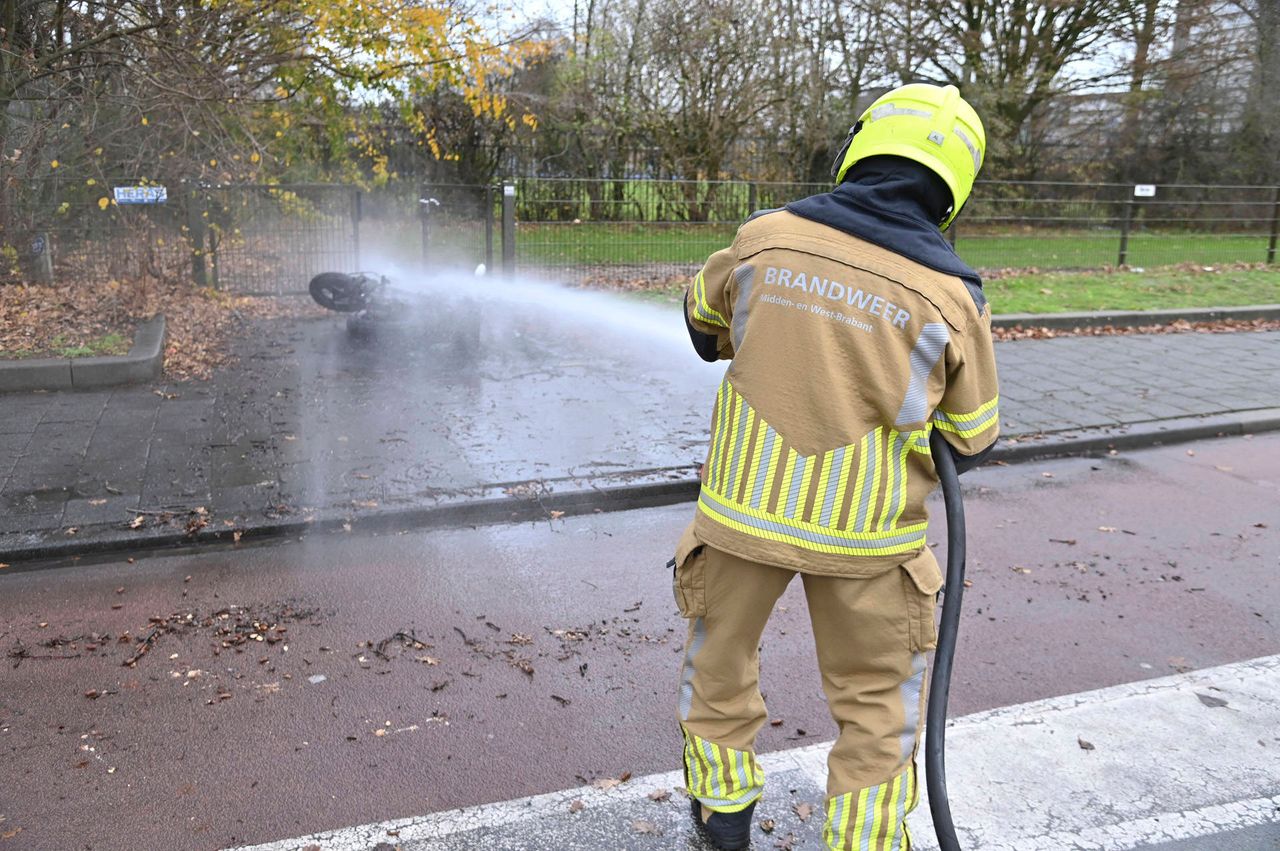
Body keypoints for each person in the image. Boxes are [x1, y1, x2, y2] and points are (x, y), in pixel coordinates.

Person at [673, 83, 999, 850]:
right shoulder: (953, 295)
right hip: (869, 541)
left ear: (859, 146)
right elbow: (974, 435)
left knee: (717, 664)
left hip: (742, 519)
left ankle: (722, 817)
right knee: (877, 703)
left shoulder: (763, 239)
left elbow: (701, 318)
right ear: (955, 187)